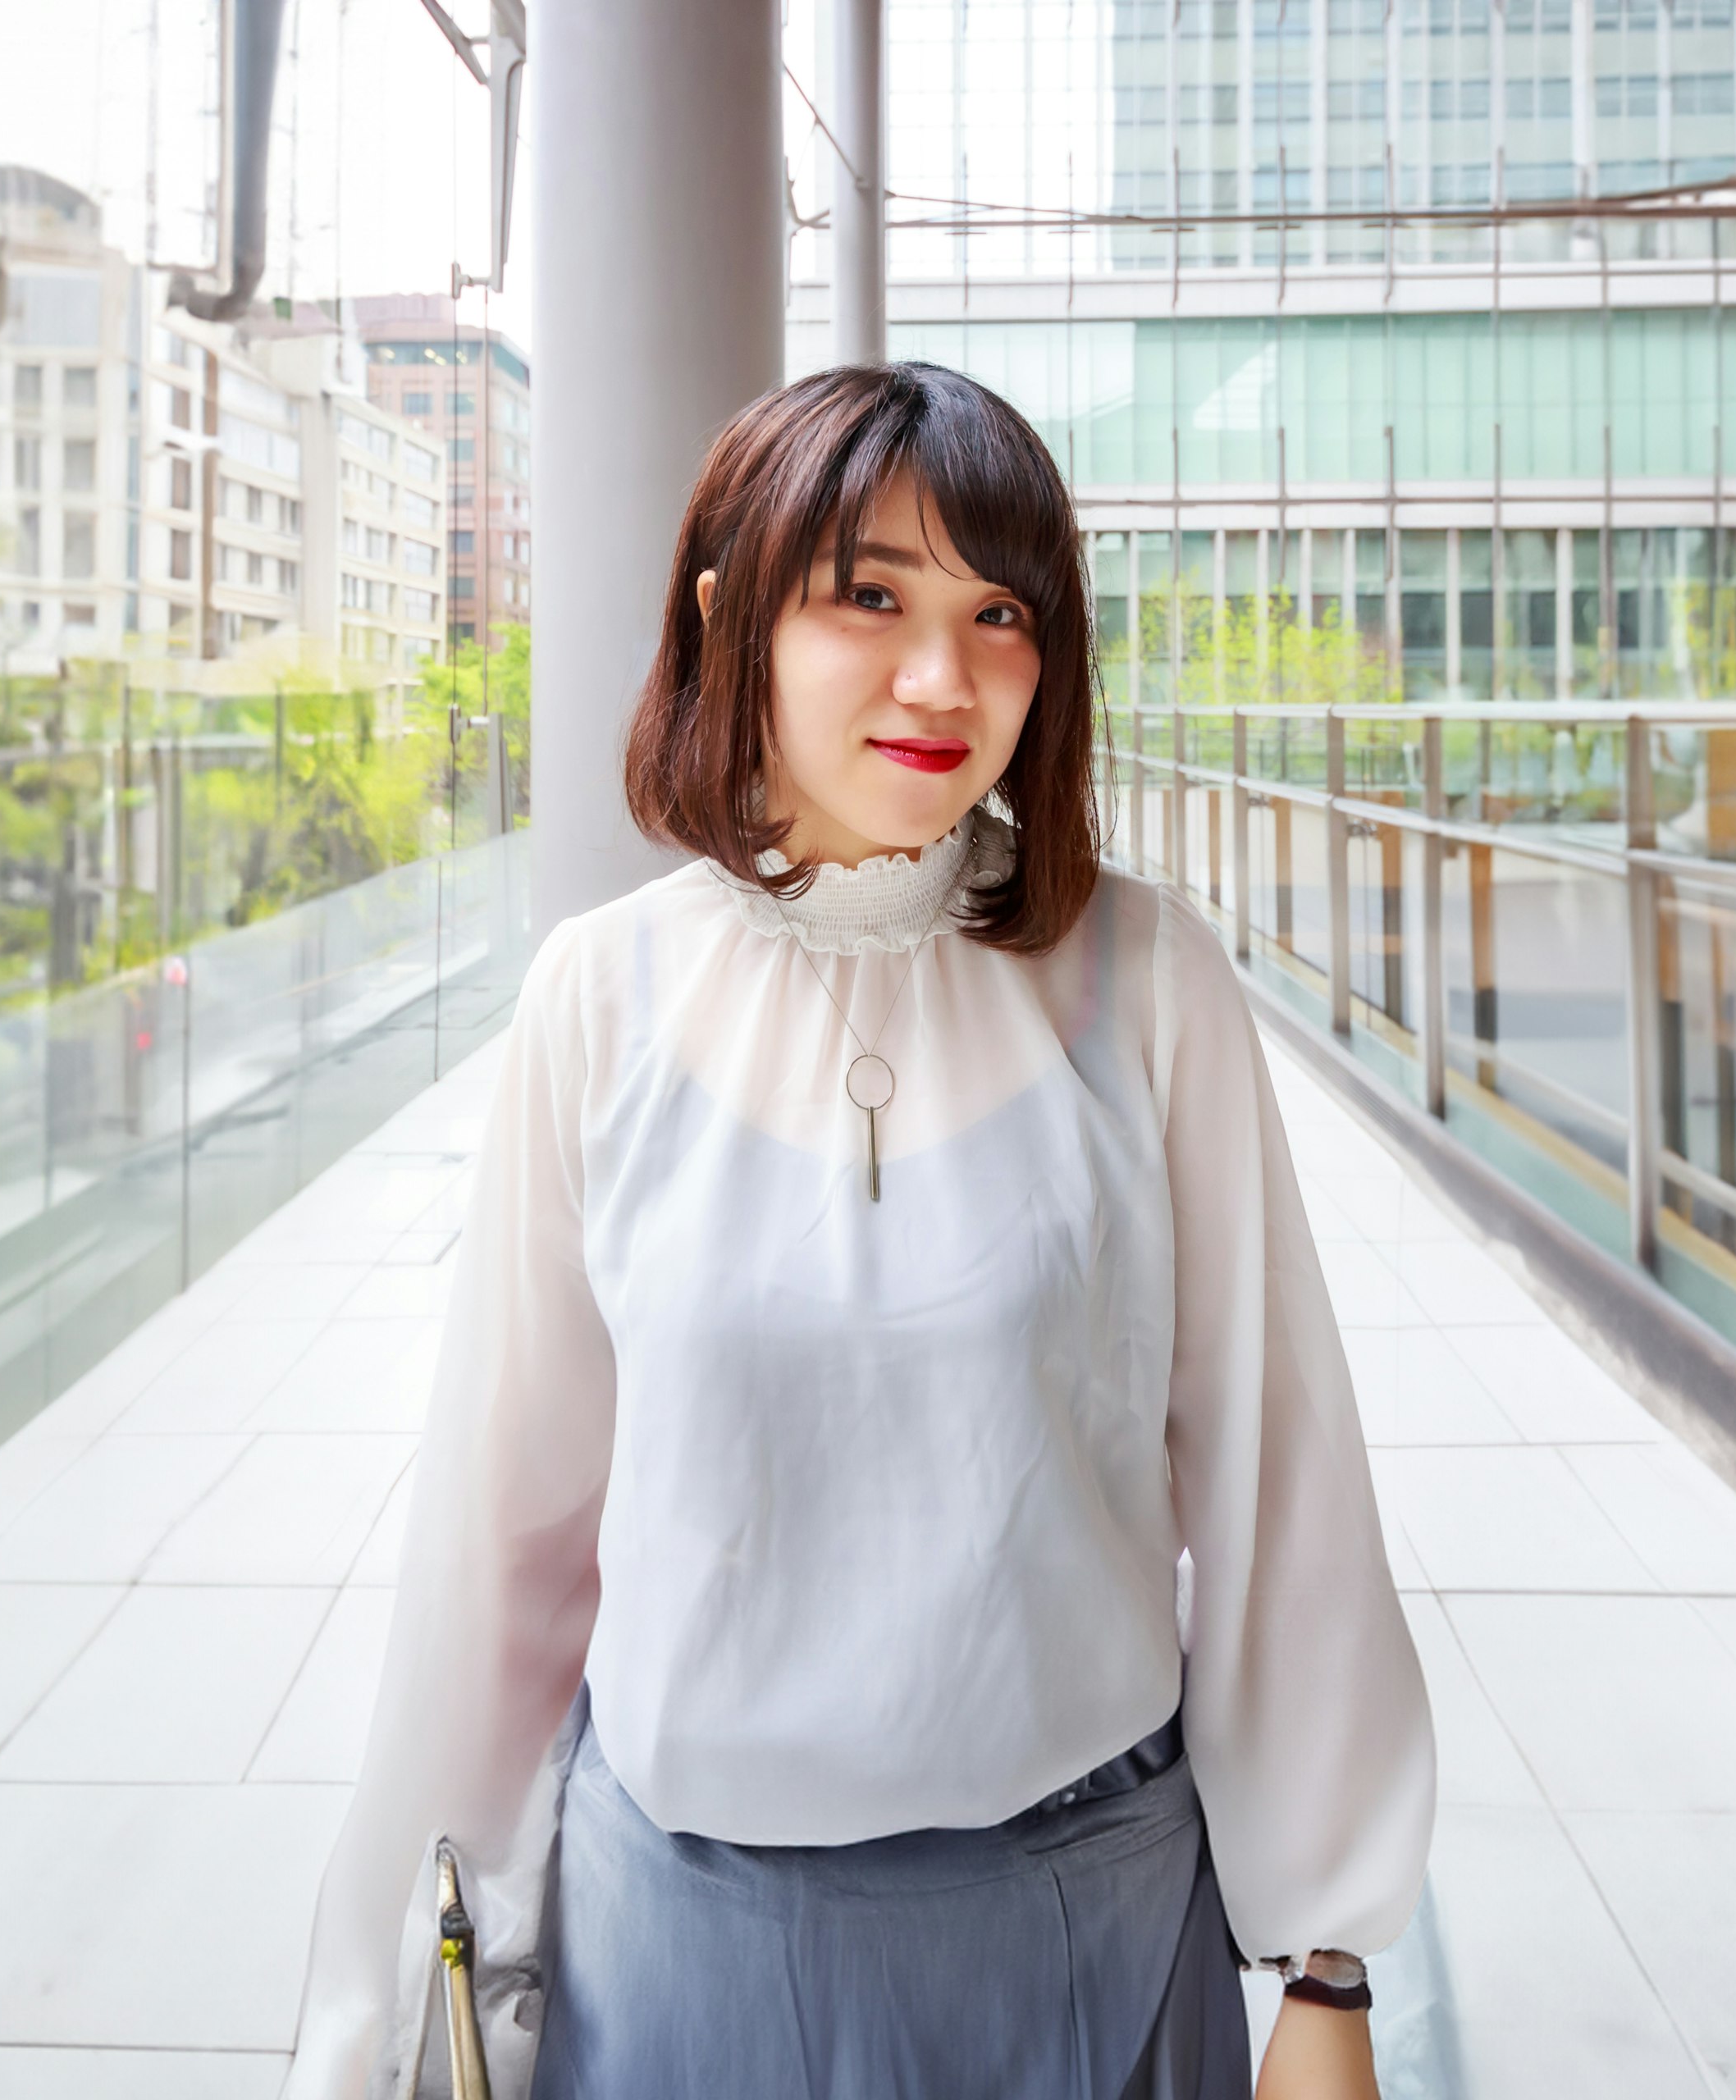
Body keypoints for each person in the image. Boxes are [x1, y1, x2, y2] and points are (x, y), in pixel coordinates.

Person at [286, 363, 1434, 2100]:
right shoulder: (604, 993)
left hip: (1084, 1920)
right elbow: (503, 1535)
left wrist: (1329, 1960)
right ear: (731, 613)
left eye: (1000, 613)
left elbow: (1282, 1480)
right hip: (683, 1941)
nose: (943, 677)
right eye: (870, 597)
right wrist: (393, 2000)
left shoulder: (1146, 975)